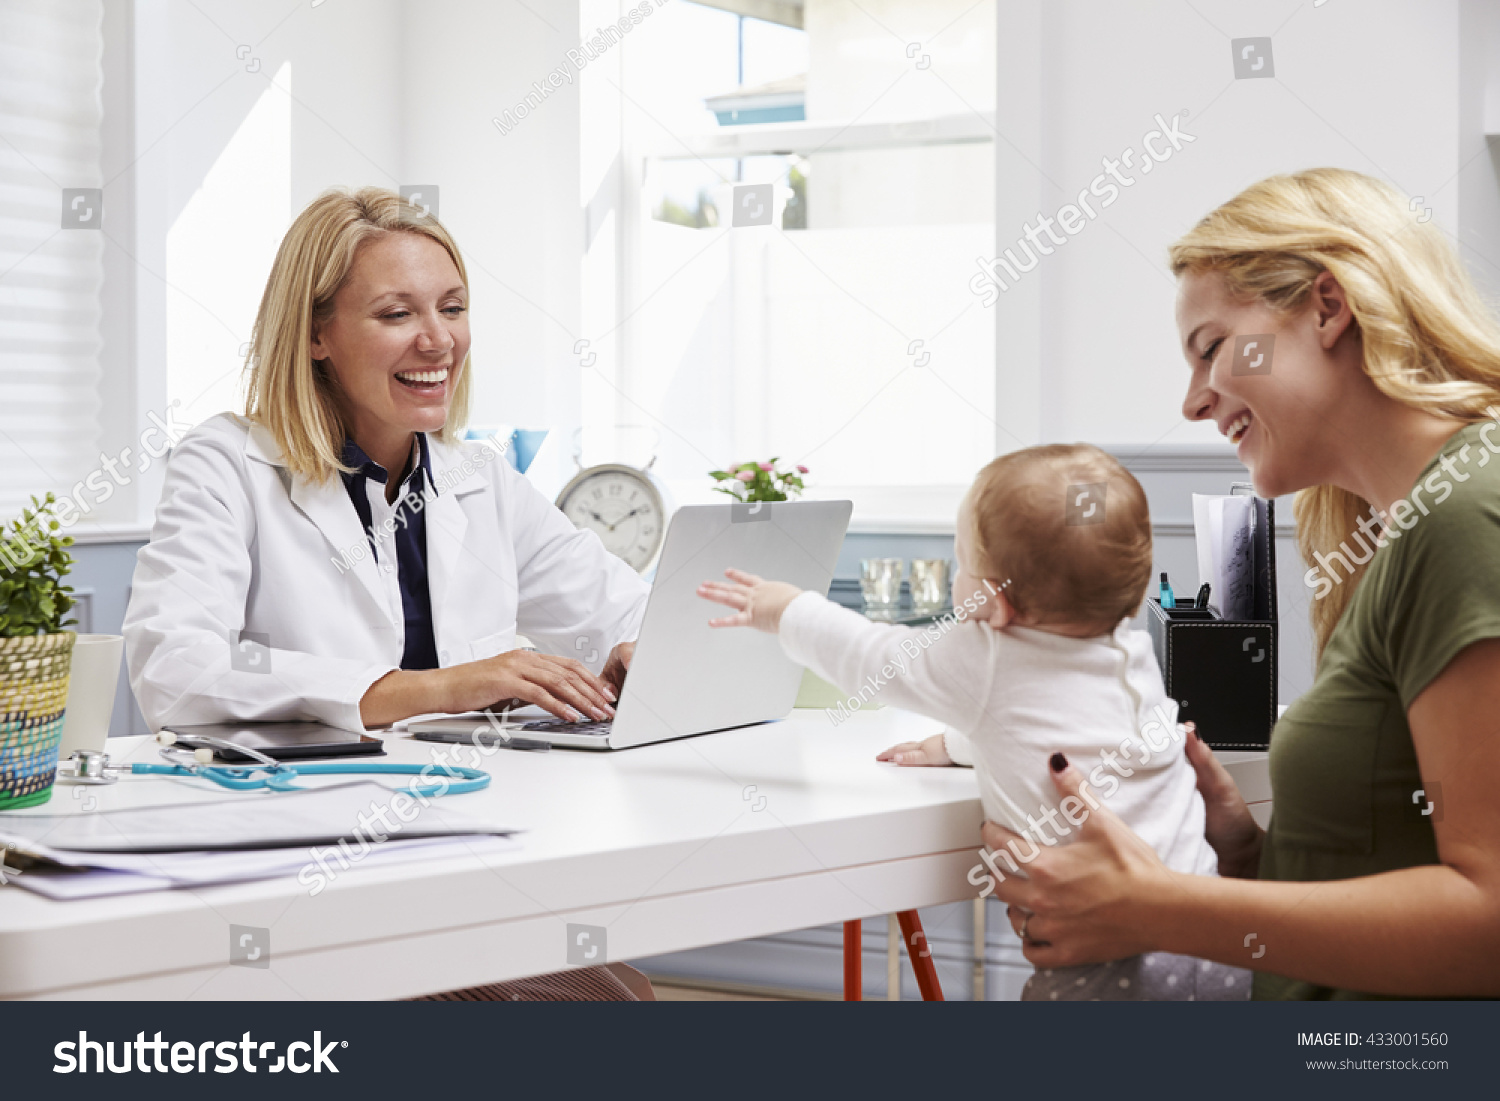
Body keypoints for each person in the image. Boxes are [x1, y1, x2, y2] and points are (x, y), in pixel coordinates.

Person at [979, 168, 1500, 999]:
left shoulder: (1469, 514)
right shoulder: (1401, 531)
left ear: (1328, 308)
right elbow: (1403, 855)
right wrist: (1254, 854)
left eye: (1212, 347)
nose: (1193, 402)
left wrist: (1157, 907)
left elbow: (1488, 924)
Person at [123, 186, 654, 1000]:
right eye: (396, 313)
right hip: (301, 871)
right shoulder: (227, 464)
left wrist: (636, 649)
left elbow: (621, 608)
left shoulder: (478, 479)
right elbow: (176, 673)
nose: (438, 338)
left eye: (452, 306)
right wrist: (434, 689)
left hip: (467, 847)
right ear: (315, 333)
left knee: (618, 998)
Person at [697, 444, 1250, 1000]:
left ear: (996, 604)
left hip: (1105, 971)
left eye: (963, 561)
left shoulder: (986, 655)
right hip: (1215, 941)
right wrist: (961, 745)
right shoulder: (1129, 651)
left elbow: (873, 657)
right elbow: (1055, 727)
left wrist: (787, 608)